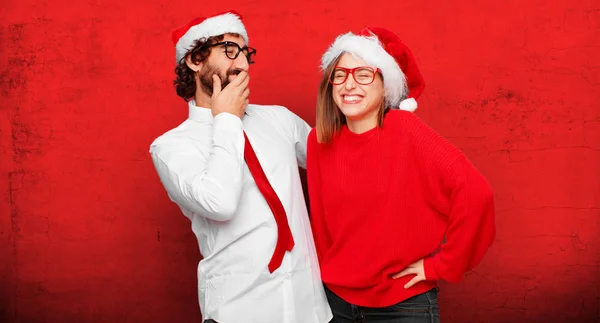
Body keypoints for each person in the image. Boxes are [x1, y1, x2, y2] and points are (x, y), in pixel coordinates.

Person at [149, 11, 331, 323]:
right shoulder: (171, 147)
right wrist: (227, 120)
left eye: (246, 53)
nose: (243, 65)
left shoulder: (279, 119)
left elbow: (336, 160)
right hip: (241, 311)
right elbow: (219, 203)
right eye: (230, 50)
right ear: (195, 59)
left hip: (310, 309)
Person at [307, 27, 496, 322]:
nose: (349, 84)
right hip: (336, 304)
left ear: (386, 86)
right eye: (340, 74)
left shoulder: (405, 130)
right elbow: (321, 227)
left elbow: (475, 193)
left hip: (402, 307)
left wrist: (439, 266)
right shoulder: (319, 141)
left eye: (364, 74)